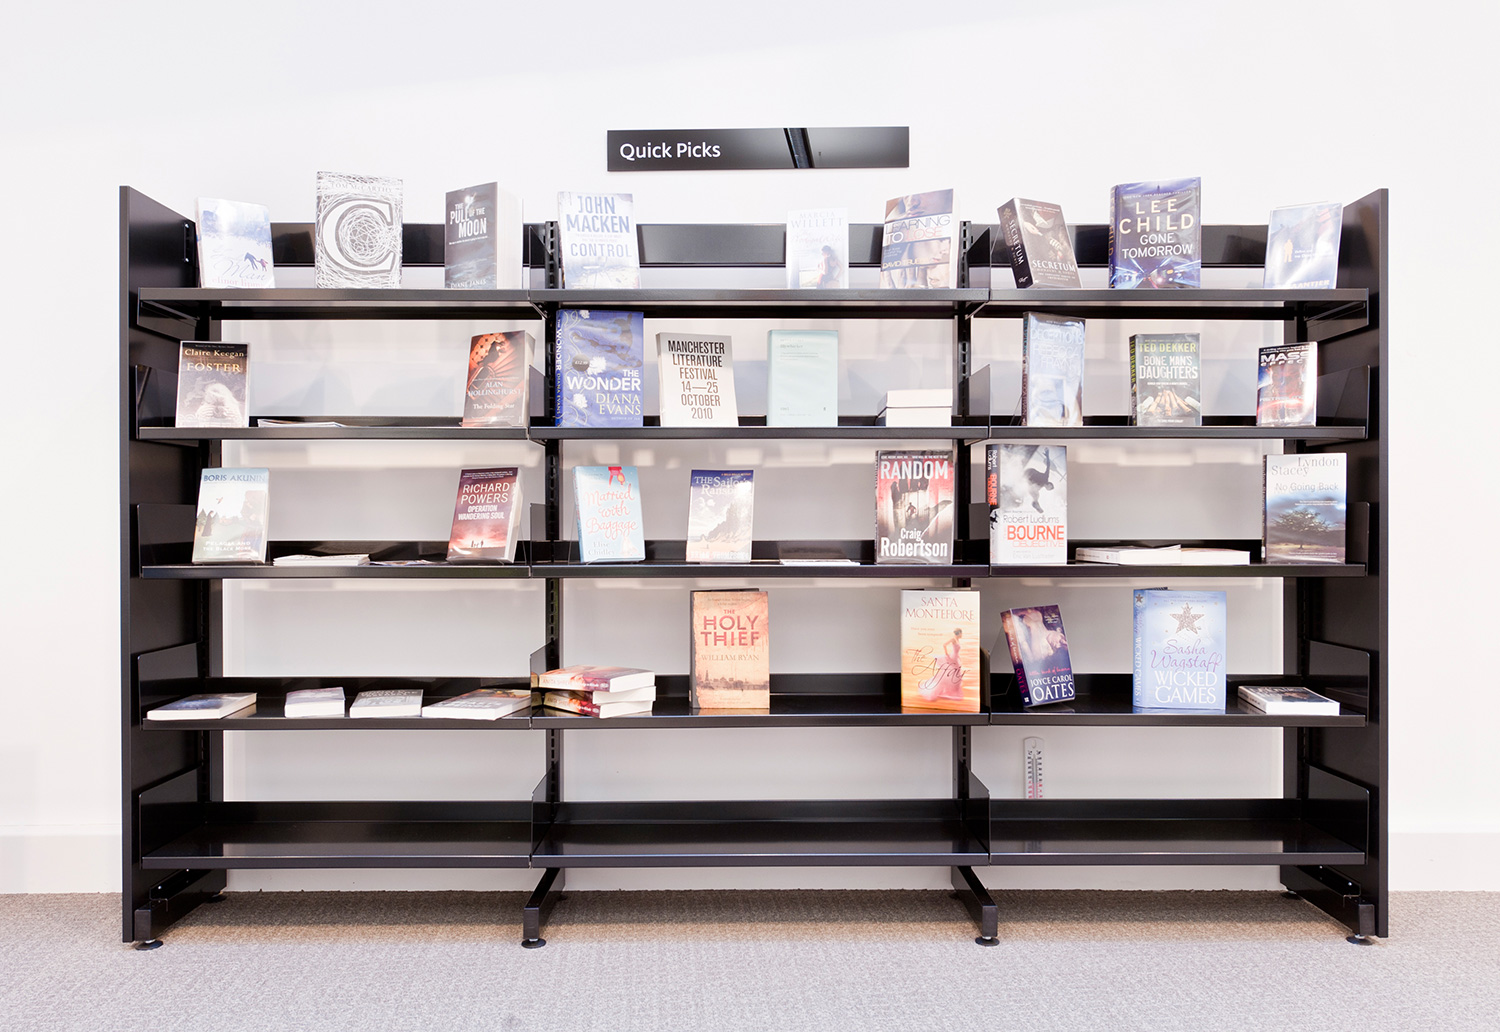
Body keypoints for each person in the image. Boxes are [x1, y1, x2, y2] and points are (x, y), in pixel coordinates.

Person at [919, 627, 966, 702]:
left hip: (955, 657)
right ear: (959, 633)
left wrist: (959, 657)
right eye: (961, 633)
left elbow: (956, 651)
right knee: (954, 674)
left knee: (955, 674)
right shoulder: (953, 639)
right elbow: (944, 645)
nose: (962, 635)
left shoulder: (957, 640)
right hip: (952, 657)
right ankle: (949, 692)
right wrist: (946, 654)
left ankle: (951, 691)